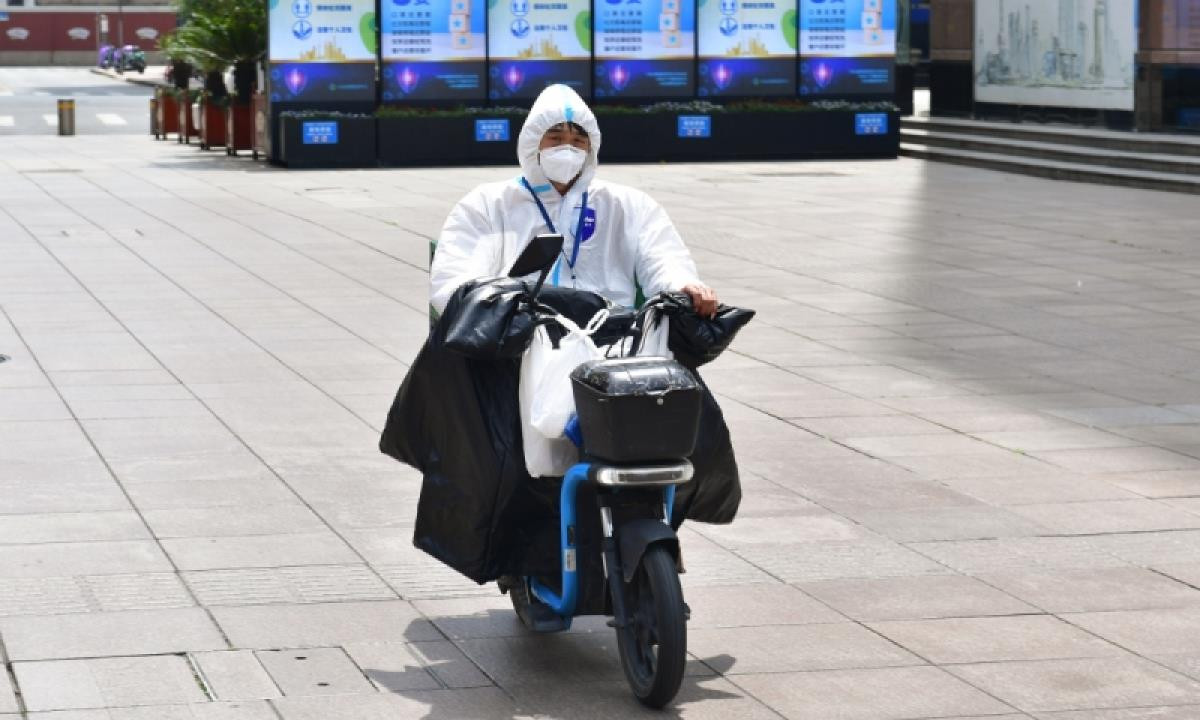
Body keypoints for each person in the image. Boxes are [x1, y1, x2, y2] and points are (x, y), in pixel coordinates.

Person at [430, 83, 718, 317]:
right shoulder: (489, 203)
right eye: (555, 139)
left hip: (607, 338)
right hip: (517, 340)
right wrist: (494, 311)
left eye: (578, 141)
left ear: (591, 148)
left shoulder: (626, 205)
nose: (567, 148)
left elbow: (663, 256)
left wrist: (683, 285)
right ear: (532, 143)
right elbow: (456, 279)